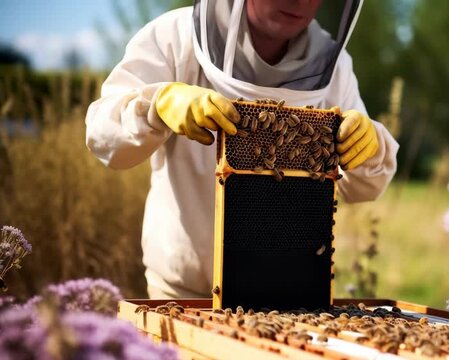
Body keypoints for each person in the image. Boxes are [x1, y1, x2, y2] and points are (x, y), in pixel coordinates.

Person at [85, 0, 399, 299]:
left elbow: (361, 189)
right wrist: (157, 105)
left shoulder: (334, 66)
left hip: (288, 299)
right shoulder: (175, 37)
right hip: (183, 293)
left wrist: (369, 147)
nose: (301, 1)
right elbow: (105, 138)